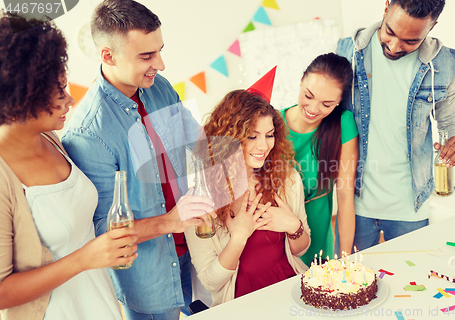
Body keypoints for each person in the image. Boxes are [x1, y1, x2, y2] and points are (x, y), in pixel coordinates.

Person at [61, 1, 215, 319]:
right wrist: (171, 221)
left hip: (192, 247)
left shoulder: (158, 87)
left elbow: (193, 140)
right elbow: (103, 229)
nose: (160, 63)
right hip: (148, 276)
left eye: (159, 50)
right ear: (108, 55)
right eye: (146, 56)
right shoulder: (88, 133)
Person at [0, 12, 138, 320]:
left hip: (99, 305)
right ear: (24, 94)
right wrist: (84, 259)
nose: (70, 99)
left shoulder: (50, 138)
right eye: (59, 90)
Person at [334, 0, 455, 251]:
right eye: (390, 32)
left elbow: (452, 121)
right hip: (355, 202)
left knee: (413, 284)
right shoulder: (347, 51)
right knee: (350, 284)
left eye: (411, 41)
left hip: (411, 206)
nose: (395, 46)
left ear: (432, 27)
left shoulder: (447, 64)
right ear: (386, 7)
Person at [185, 89, 311, 306]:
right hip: (241, 301)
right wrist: (239, 237)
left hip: (289, 287)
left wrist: (293, 225)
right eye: (252, 136)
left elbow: (301, 248)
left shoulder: (286, 179)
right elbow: (210, 282)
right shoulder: (200, 199)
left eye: (269, 135)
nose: (264, 146)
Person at [281, 53, 358, 262]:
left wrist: (346, 258)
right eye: (308, 96)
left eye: (326, 104)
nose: (313, 109)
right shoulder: (273, 124)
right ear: (302, 79)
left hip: (318, 238)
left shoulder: (342, 124)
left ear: (339, 100)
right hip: (277, 239)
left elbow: (344, 196)